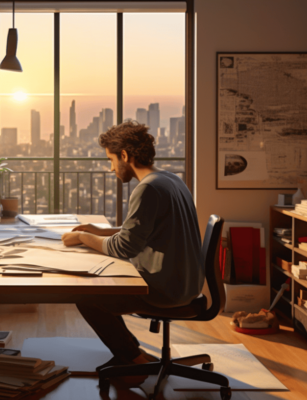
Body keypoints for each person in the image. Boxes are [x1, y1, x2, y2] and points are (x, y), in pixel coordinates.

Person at [61, 121, 203, 385]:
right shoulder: (170, 180)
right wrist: (101, 230)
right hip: (186, 282)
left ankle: (133, 359)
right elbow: (148, 228)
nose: (111, 168)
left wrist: (82, 237)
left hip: (164, 289)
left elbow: (125, 247)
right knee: (101, 286)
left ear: (125, 155)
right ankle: (132, 353)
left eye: (111, 160)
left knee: (87, 296)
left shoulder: (147, 188)